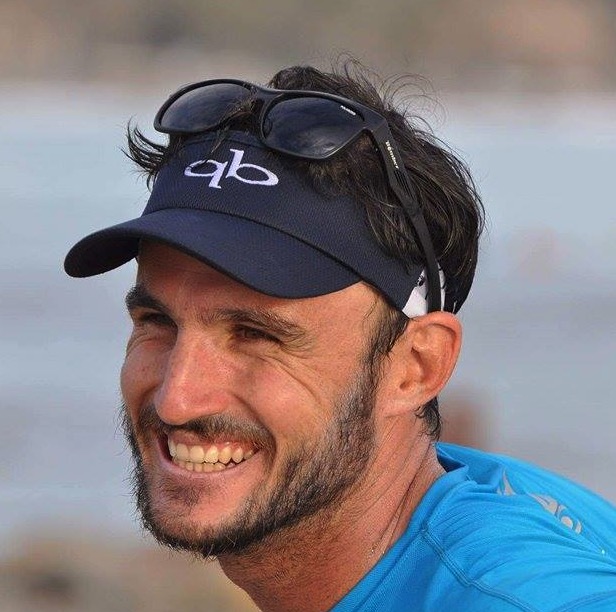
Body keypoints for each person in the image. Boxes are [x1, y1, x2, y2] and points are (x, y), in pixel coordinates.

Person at [64, 62, 616, 611]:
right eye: (157, 323)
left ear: (416, 367)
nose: (176, 398)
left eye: (255, 335)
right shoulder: (471, 497)